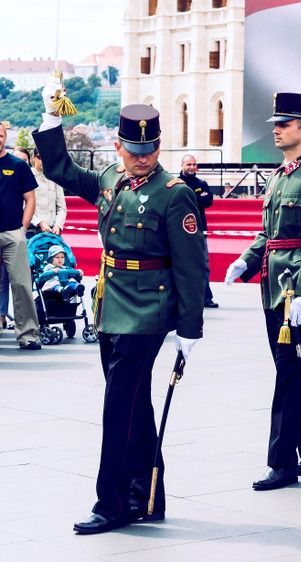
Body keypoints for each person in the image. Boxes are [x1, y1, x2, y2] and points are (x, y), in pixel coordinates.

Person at [33, 79, 207, 534]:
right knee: (134, 406)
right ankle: (146, 494)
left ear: (159, 146)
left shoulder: (174, 193)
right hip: (111, 301)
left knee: (117, 407)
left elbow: (192, 265)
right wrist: (53, 119)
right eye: (134, 149)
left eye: (149, 148)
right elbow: (61, 169)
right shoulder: (111, 178)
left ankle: (110, 502)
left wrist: (190, 328)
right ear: (118, 145)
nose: (142, 157)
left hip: (148, 310)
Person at [225, 93, 301, 491]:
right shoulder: (279, 175)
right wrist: (246, 258)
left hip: (299, 289)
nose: (276, 130)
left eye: (285, 124)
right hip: (273, 284)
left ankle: (281, 462)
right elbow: (268, 232)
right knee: (293, 367)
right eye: (275, 123)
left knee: (290, 371)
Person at [0, 122, 41, 350]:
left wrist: (23, 228)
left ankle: (28, 335)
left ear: (5, 137)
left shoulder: (18, 165)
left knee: (22, 285)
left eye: (1, 135)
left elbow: (30, 199)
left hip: (12, 233)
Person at [179, 154, 218, 308]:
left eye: (194, 164)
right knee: (180, 264)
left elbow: (208, 201)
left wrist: (192, 197)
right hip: (179, 231)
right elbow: (183, 202)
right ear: (182, 165)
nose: (192, 167)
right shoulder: (175, 183)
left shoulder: (202, 183)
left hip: (200, 231)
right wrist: (197, 196)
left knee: (203, 265)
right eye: (188, 164)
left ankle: (206, 298)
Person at [28, 149, 68, 238]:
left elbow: (62, 207)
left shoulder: (55, 178)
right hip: (31, 229)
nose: (43, 161)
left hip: (52, 230)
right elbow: (23, 206)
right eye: (39, 157)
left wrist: (58, 225)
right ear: (33, 158)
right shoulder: (27, 175)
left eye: (46, 158)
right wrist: (39, 222)